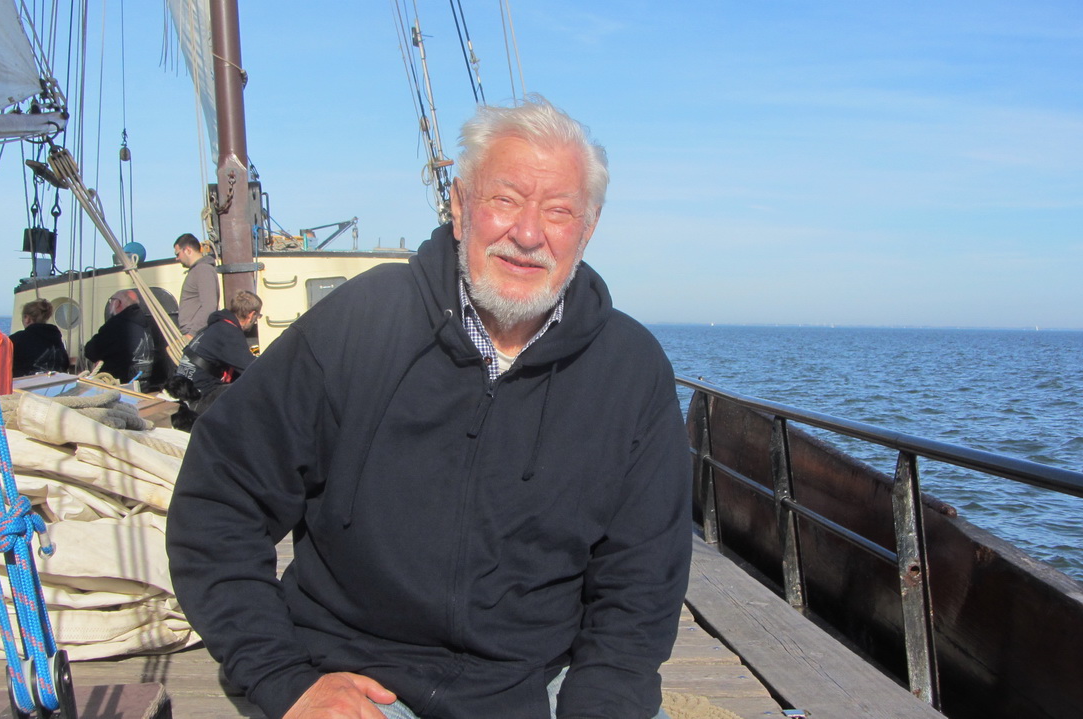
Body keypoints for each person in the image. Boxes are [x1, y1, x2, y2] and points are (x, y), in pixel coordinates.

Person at [166, 96, 691, 719]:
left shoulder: (630, 370)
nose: (528, 234)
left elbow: (640, 586)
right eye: (506, 200)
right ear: (461, 206)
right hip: (350, 681)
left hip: (539, 685)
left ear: (588, 228)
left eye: (558, 211)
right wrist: (285, 680)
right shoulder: (359, 325)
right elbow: (221, 499)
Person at [165, 290, 262, 429]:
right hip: (199, 399)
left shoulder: (216, 326)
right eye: (258, 316)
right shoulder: (228, 332)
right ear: (251, 315)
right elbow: (252, 369)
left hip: (184, 393)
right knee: (253, 391)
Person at [83, 289, 155, 384]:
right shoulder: (147, 322)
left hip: (120, 382)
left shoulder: (116, 324)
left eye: (111, 301)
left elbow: (91, 351)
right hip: (144, 381)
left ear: (117, 303)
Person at [174, 232, 219, 341]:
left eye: (178, 254)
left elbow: (209, 307)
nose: (177, 258)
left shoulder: (203, 270)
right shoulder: (198, 270)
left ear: (188, 250)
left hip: (198, 336)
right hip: (196, 334)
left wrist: (192, 334)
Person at [9, 298, 69, 377]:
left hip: (27, 383)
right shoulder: (55, 337)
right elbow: (65, 363)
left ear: (27, 318)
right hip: (56, 382)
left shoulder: (16, 339)